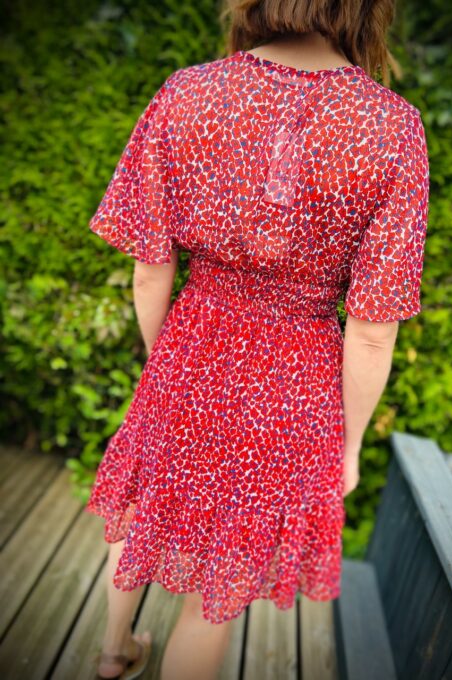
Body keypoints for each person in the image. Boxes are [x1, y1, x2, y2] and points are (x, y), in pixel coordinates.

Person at [86, 1, 429, 678]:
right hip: (293, 378)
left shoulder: (188, 91)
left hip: (193, 343)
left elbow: (150, 270)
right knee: (223, 572)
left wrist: (165, 369)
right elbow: (371, 332)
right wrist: (349, 446)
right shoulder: (393, 128)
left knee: (143, 500)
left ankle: (112, 649)